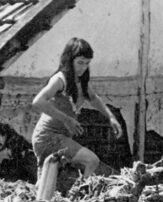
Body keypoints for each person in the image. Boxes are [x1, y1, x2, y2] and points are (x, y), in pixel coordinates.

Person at [31, 37, 122, 177]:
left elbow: (93, 98)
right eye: (80, 63)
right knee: (91, 160)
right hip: (48, 136)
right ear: (69, 60)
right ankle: (83, 192)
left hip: (61, 137)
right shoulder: (60, 79)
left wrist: (111, 117)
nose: (83, 68)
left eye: (87, 63)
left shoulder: (81, 81)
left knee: (46, 185)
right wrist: (67, 119)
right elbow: (38, 102)